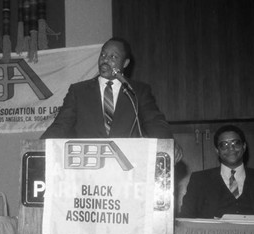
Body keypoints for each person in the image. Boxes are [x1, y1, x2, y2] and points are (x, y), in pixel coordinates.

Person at [41, 37, 182, 162]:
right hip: (88, 169)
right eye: (103, 54)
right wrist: (40, 146)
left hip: (127, 167)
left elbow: (154, 122)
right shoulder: (78, 91)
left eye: (113, 57)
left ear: (125, 63)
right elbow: (61, 126)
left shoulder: (138, 92)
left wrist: (168, 144)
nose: (105, 60)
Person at [180, 125, 254, 218]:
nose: (231, 148)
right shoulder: (199, 180)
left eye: (236, 143)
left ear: (244, 146)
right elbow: (185, 218)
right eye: (224, 145)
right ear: (217, 151)